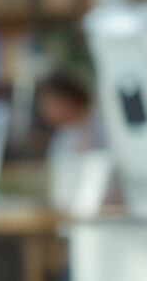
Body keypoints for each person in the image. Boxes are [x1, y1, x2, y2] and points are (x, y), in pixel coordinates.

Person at [33, 71, 105, 211]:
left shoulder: (106, 126)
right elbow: (58, 190)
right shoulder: (61, 139)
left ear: (69, 100)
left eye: (50, 105)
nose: (46, 112)